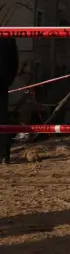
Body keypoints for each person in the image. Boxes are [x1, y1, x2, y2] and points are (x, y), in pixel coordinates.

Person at [0, 36, 18, 164]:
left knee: (2, 119)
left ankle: (3, 155)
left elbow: (13, 63)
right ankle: (3, 155)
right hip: (2, 83)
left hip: (1, 83)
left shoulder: (7, 36)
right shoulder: (7, 37)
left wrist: (6, 82)